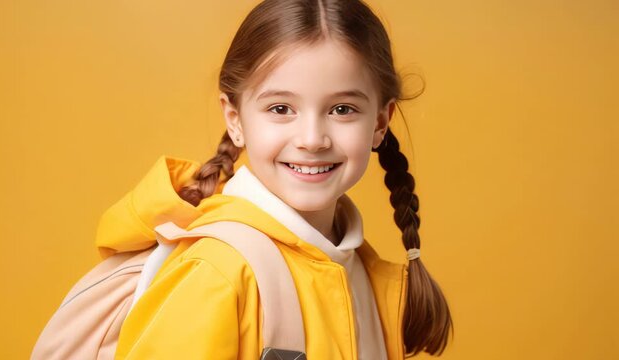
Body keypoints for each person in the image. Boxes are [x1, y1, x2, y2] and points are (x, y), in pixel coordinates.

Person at [110, 0, 453, 358]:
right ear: (235, 120)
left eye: (342, 109)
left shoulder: (361, 274)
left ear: (380, 123)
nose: (311, 138)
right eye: (280, 109)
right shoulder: (216, 273)